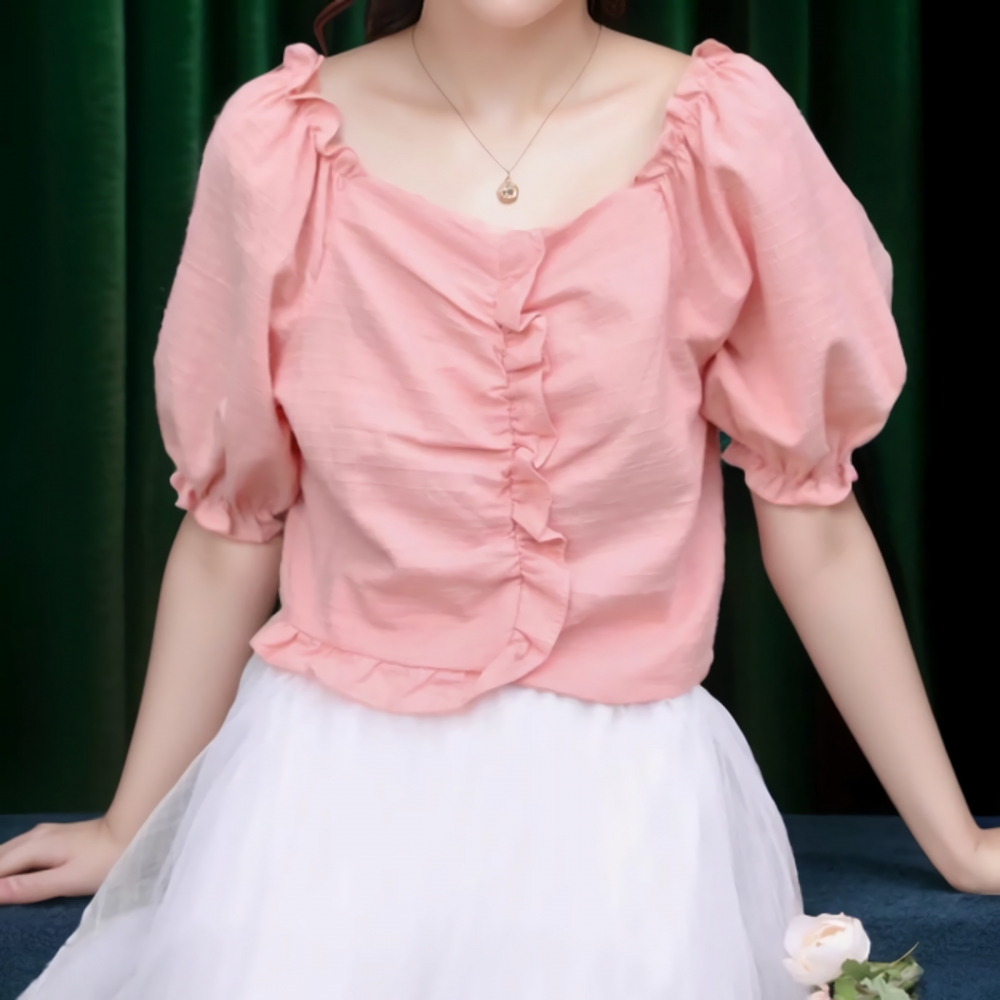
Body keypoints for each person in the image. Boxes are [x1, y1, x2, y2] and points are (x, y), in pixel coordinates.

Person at [2, 0, 997, 996]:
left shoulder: (730, 135)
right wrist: (129, 829)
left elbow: (815, 521)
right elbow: (230, 531)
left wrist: (955, 841)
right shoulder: (274, 149)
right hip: (324, 789)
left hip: (624, 794)